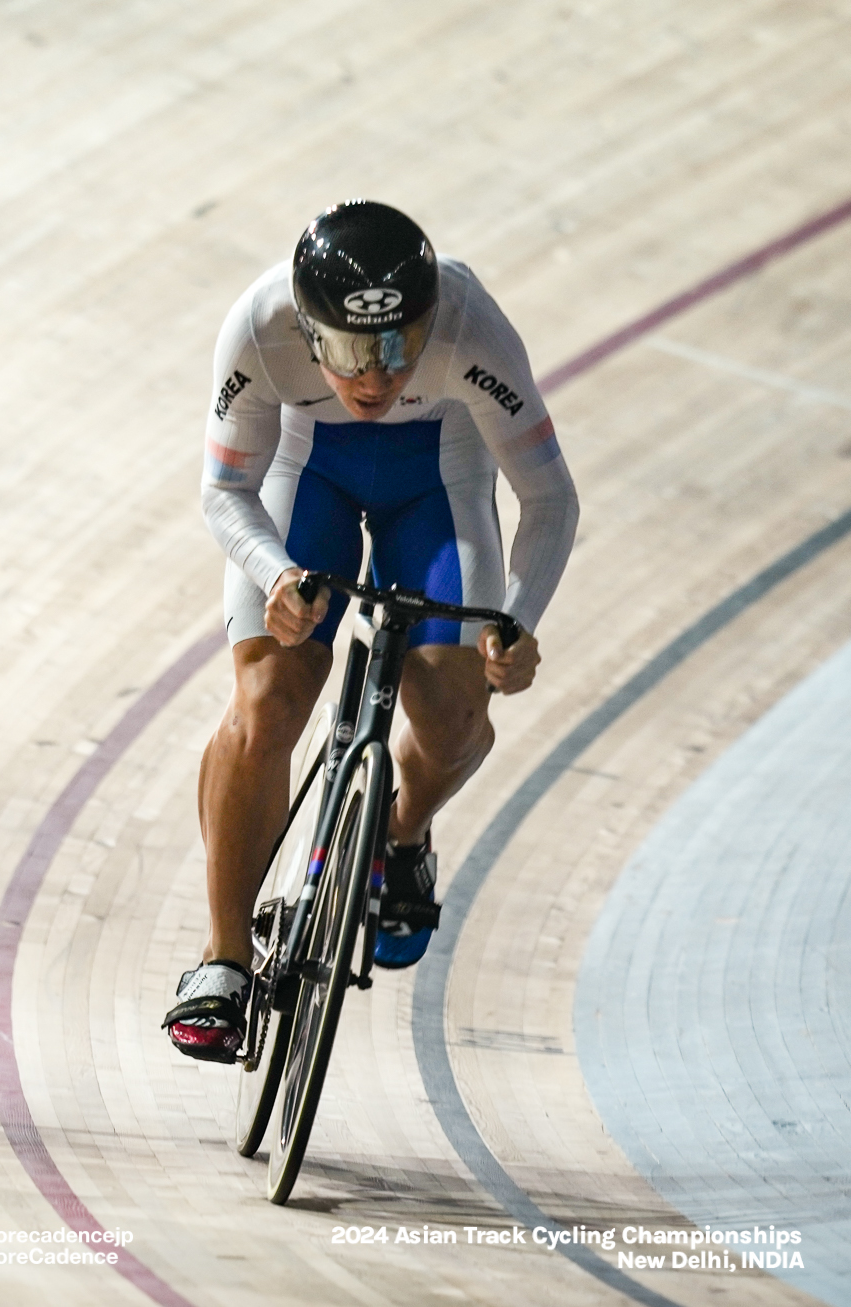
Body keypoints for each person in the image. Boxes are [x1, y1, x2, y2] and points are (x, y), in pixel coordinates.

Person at [163, 201, 578, 1061]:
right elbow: (224, 489)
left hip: (437, 484)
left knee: (457, 716)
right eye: (352, 352)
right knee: (268, 703)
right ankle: (225, 958)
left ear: (431, 320)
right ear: (308, 333)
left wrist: (518, 622)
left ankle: (402, 832)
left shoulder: (471, 322)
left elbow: (549, 498)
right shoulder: (259, 323)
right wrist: (277, 574)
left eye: (400, 345)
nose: (378, 376)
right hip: (305, 472)